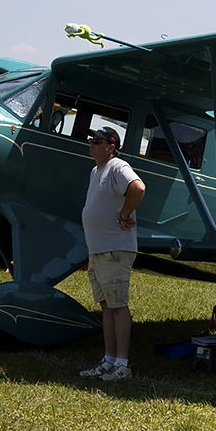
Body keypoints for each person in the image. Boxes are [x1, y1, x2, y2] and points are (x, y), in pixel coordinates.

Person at [79, 126, 146, 381]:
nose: (91, 144)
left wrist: (124, 215)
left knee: (118, 306)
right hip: (98, 251)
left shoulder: (118, 166)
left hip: (115, 250)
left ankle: (122, 365)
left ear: (111, 146)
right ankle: (108, 361)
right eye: (90, 140)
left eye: (97, 141)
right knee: (106, 306)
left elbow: (138, 188)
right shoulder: (95, 171)